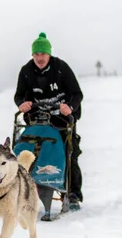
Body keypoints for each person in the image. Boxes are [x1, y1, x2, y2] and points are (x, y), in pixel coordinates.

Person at [13, 32, 84, 209]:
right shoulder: (27, 71)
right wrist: (22, 104)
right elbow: (18, 96)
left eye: (42, 54)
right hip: (36, 119)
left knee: (69, 152)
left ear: (49, 54)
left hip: (61, 120)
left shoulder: (61, 68)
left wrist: (70, 107)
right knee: (28, 150)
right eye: (36, 54)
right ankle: (26, 188)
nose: (39, 58)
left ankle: (73, 194)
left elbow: (77, 94)